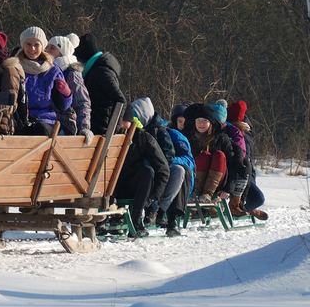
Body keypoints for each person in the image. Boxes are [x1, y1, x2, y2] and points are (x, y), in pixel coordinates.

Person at [112, 105, 170, 237]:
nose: (119, 125)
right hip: (111, 186)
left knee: (147, 171)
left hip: (133, 186)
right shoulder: (109, 134)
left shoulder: (143, 138)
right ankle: (107, 218)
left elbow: (163, 170)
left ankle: (136, 219)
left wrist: (153, 197)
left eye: (122, 121)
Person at [15, 26, 72, 136]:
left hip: (44, 119)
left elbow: (62, 106)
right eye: (28, 44)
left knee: (41, 131)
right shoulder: (15, 66)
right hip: (19, 117)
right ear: (23, 46)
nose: (32, 49)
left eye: (36, 45)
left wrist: (66, 94)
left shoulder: (52, 69)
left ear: (42, 46)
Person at [184, 105, 245, 203]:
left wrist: (228, 188)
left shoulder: (221, 138)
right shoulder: (188, 137)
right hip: (194, 181)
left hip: (217, 182)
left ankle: (207, 194)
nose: (201, 124)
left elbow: (231, 163)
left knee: (219, 155)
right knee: (204, 156)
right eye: (198, 120)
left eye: (205, 120)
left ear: (211, 122)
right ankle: (196, 194)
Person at [73, 33, 127, 135]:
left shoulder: (101, 72)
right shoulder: (95, 69)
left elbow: (120, 100)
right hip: (96, 126)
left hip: (101, 129)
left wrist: (111, 131)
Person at [46, 34, 93, 144]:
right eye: (47, 47)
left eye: (52, 48)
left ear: (63, 52)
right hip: (48, 121)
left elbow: (83, 103)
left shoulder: (71, 74)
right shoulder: (47, 71)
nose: (47, 51)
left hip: (64, 125)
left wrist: (84, 128)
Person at [227, 100, 268, 220]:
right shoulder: (225, 129)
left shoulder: (247, 131)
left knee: (258, 199)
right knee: (257, 198)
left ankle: (246, 209)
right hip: (231, 173)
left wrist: (251, 177)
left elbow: (248, 158)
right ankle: (237, 207)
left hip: (246, 173)